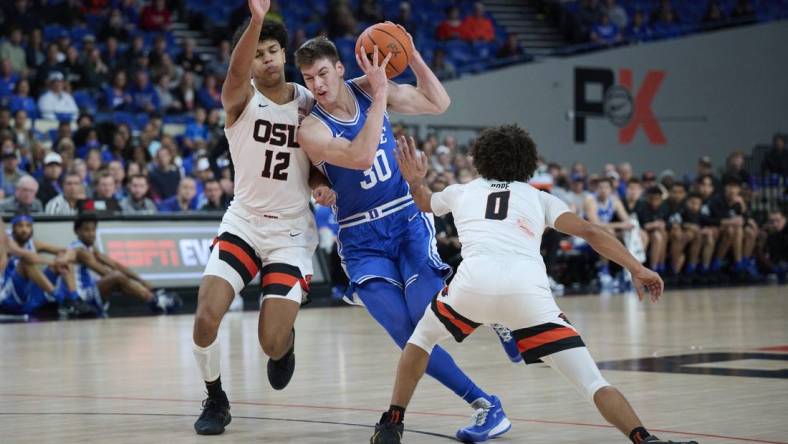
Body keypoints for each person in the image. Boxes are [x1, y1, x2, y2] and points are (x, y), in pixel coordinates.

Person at [369, 126, 696, 444]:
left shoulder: (462, 191)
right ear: (528, 163)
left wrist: (414, 180)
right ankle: (644, 439)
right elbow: (593, 233)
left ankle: (393, 422)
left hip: (473, 287)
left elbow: (425, 201)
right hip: (527, 295)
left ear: (479, 159)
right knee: (592, 381)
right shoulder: (540, 198)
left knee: (421, 340)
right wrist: (637, 268)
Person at [295, 33, 513, 441]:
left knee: (426, 320)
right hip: (360, 237)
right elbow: (359, 157)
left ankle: (491, 311)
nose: (317, 85)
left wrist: (412, 55)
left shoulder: (368, 89)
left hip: (405, 219)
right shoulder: (311, 126)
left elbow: (439, 103)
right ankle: (487, 405)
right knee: (408, 335)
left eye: (323, 73)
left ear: (340, 68)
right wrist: (379, 96)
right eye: (308, 79)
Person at [191, 2, 335, 436]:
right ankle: (215, 397)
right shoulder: (240, 98)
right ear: (247, 61)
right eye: (258, 52)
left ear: (284, 54)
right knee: (205, 317)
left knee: (269, 342)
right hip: (245, 222)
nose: (267, 58)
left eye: (272, 49)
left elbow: (312, 161)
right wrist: (255, 22)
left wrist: (319, 180)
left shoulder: (311, 104)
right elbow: (234, 75)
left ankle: (285, 343)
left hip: (291, 232)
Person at [59, 213, 181, 317]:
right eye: (87, 230)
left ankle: (153, 299)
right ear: (77, 231)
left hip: (88, 290)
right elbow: (106, 272)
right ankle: (154, 300)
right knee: (116, 277)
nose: (91, 233)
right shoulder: (80, 251)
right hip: (80, 297)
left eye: (93, 229)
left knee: (118, 277)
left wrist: (141, 281)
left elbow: (115, 264)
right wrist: (132, 284)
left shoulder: (90, 248)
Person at [1, 214, 79, 316]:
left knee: (63, 257)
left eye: (28, 226)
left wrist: (64, 258)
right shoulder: (6, 244)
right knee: (25, 262)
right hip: (9, 297)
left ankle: (75, 299)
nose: (24, 230)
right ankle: (61, 299)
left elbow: (70, 251)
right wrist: (55, 262)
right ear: (13, 228)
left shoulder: (34, 244)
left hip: (30, 295)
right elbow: (29, 257)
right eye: (20, 226)